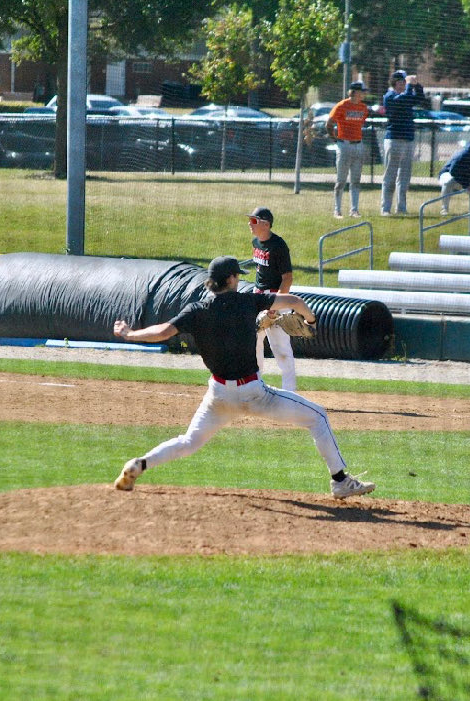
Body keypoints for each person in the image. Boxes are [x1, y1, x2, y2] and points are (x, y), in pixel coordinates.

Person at [112, 255, 375, 500]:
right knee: (318, 416)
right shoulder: (249, 301)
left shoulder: (197, 309)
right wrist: (311, 321)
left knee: (189, 442)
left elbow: (162, 332)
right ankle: (340, 481)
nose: (238, 279)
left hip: (218, 396)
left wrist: (129, 334)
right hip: (254, 394)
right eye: (237, 275)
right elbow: (294, 301)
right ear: (229, 279)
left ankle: (140, 464)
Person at [248, 206, 297, 391]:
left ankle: (290, 392)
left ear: (266, 224)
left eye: (254, 221)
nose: (250, 224)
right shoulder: (256, 242)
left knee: (280, 347)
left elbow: (288, 278)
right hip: (258, 297)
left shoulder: (278, 245)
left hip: (276, 298)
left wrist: (275, 307)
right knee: (253, 341)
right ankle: (255, 384)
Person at [380, 70, 424, 216]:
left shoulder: (407, 95)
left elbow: (420, 98)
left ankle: (401, 208)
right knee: (390, 176)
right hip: (394, 139)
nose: (403, 84)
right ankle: (385, 208)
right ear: (394, 83)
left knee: (404, 177)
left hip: (408, 139)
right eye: (401, 82)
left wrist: (417, 85)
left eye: (404, 82)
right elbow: (403, 99)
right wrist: (410, 86)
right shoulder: (389, 96)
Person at [327, 81, 370, 218]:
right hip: (344, 145)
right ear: (355, 92)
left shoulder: (363, 107)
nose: (364, 94)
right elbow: (329, 123)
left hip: (358, 144)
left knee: (356, 180)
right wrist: (335, 139)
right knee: (341, 180)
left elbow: (360, 123)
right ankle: (337, 210)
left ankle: (354, 210)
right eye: (362, 91)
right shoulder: (342, 105)